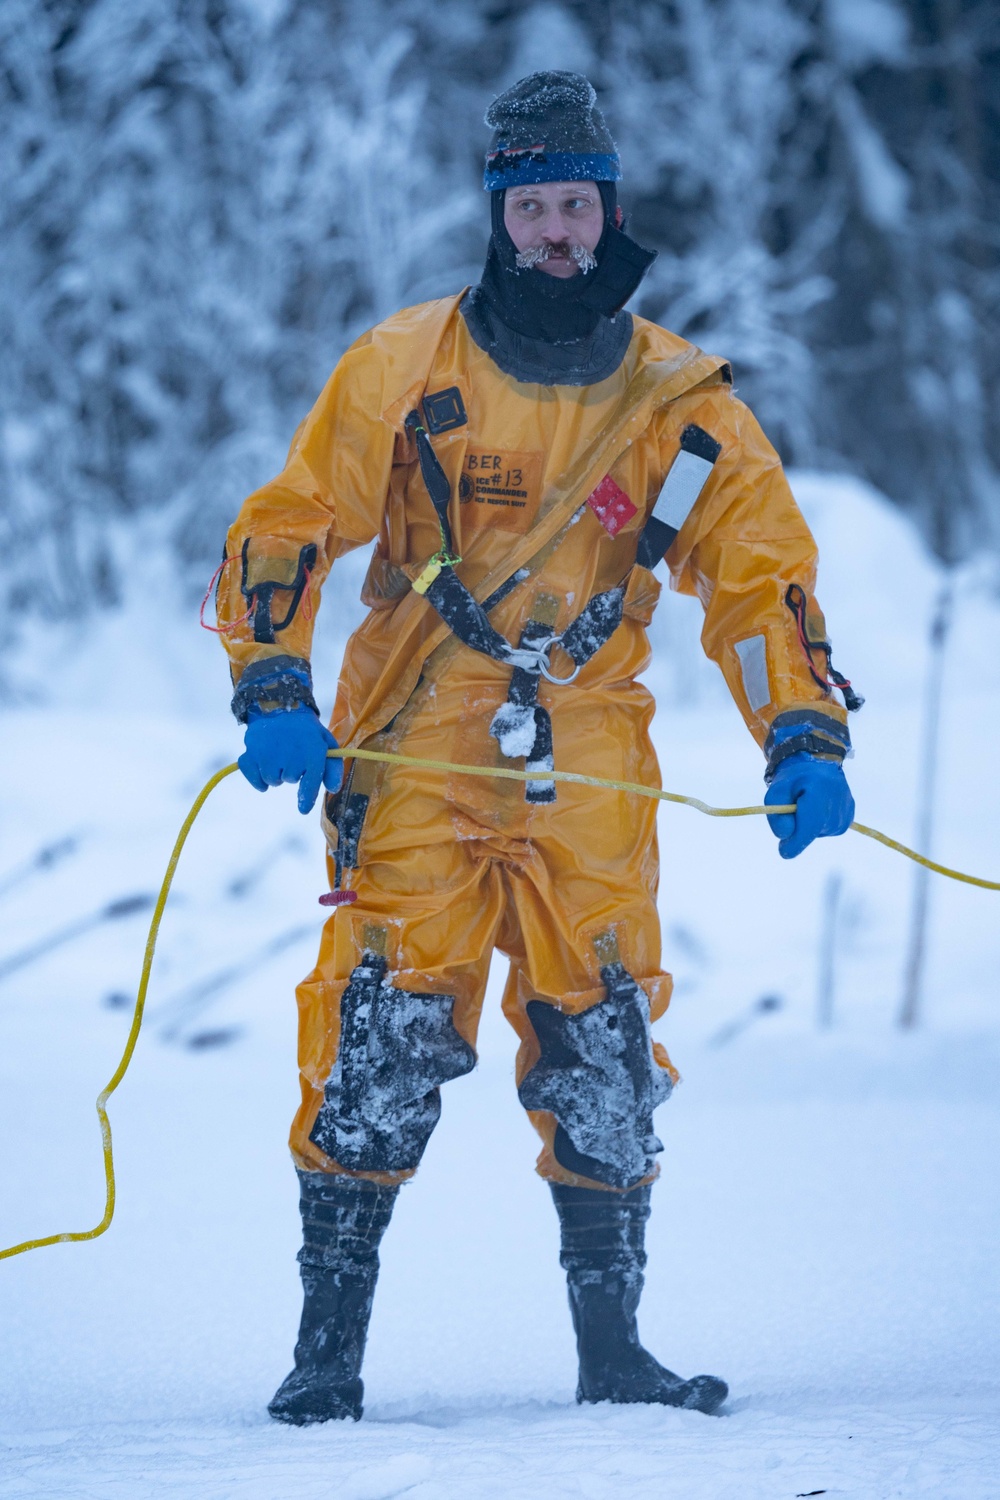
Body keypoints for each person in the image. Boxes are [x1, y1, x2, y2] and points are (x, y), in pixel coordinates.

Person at [215, 71, 858, 1425]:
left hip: (592, 767)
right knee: (380, 1032)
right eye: (533, 206)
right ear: (499, 216)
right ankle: (326, 1354)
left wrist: (800, 728)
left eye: (577, 204)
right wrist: (272, 677)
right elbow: (288, 520)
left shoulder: (680, 402)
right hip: (415, 749)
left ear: (608, 210)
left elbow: (758, 582)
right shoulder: (406, 367)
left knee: (608, 1041)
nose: (559, 230)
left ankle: (613, 1351)